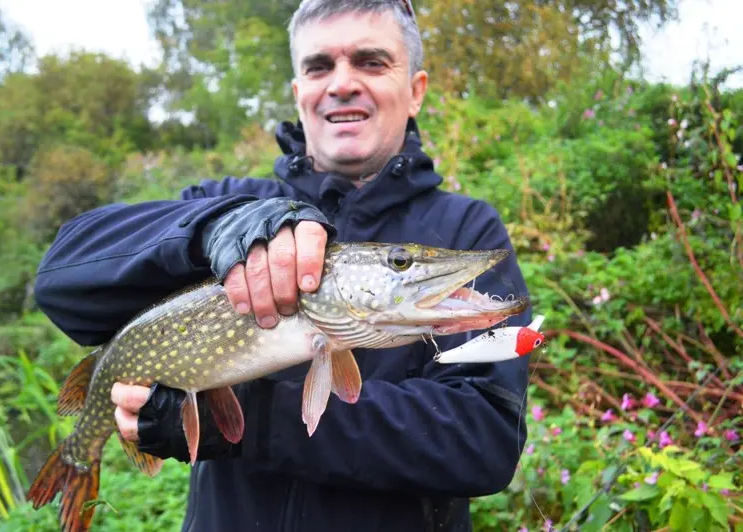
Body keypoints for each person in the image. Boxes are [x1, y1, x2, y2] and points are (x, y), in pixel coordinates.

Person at [33, 0, 533, 530]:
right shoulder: (223, 202)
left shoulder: (466, 229)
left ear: (416, 90)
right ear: (300, 94)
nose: (341, 84)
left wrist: (250, 422)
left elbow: (484, 440)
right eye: (319, 67)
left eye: (370, 62)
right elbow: (61, 279)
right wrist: (214, 230)